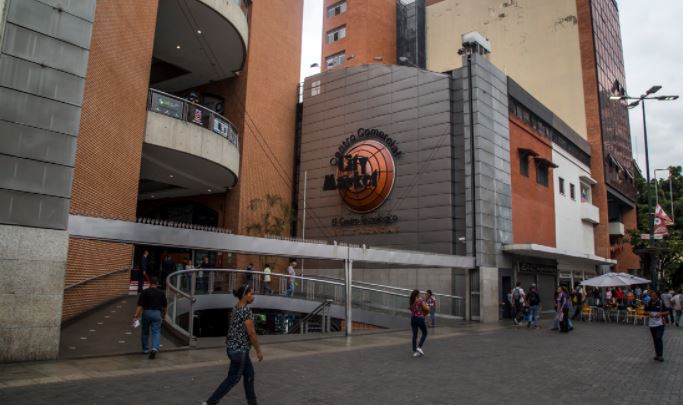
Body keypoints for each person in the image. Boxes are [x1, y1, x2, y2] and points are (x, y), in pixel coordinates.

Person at [204, 285, 263, 405]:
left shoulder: (235, 308)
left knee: (249, 375)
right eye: (251, 294)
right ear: (244, 295)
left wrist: (228, 339)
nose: (253, 297)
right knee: (233, 379)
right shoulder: (246, 310)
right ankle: (210, 402)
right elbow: (251, 333)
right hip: (239, 350)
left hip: (234, 348)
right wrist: (258, 350)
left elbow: (232, 326)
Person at [133, 276, 167, 359]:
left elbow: (140, 305)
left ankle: (145, 349)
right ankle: (155, 348)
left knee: (145, 332)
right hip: (156, 313)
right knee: (156, 332)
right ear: (157, 284)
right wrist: (163, 315)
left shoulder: (145, 292)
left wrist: (136, 315)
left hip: (146, 313)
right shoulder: (161, 293)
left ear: (149, 283)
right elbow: (164, 306)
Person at [644, 292, 667, 362]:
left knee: (658, 338)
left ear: (657, 296)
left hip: (660, 324)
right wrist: (648, 313)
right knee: (655, 339)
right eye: (652, 296)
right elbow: (645, 311)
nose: (653, 297)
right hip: (652, 324)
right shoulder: (648, 303)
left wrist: (660, 313)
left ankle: (660, 355)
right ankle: (657, 355)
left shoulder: (661, 303)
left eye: (654, 296)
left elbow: (667, 312)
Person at [409, 289, 429, 357]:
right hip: (420, 318)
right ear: (417, 294)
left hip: (413, 319)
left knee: (414, 335)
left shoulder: (411, 301)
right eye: (419, 293)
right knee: (425, 333)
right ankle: (419, 347)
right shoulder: (420, 300)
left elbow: (411, 309)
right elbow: (426, 308)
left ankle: (414, 352)